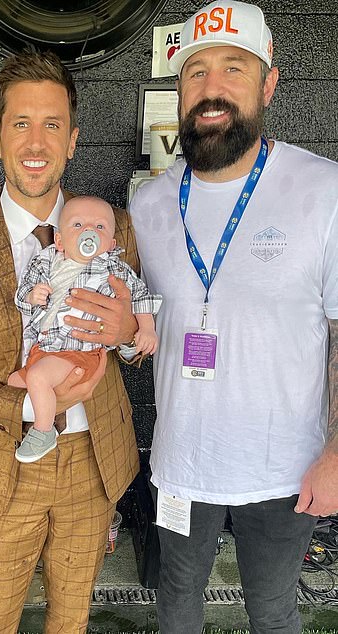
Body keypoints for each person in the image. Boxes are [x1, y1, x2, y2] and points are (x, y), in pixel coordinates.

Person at [129, 2, 338, 631]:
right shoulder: (149, 201)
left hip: (286, 467)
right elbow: (136, 325)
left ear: (269, 83)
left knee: (273, 609)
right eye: (196, 72)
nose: (212, 89)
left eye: (233, 68)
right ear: (179, 89)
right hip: (181, 462)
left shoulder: (323, 190)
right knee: (177, 595)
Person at [0, 50, 142, 633]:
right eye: (21, 124)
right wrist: (27, 407)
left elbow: (143, 340)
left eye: (52, 124)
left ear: (72, 140)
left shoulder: (116, 228)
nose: (36, 142)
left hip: (92, 470)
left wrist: (130, 333)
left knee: (71, 622)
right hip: (1, 472)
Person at [9, 195, 161, 462]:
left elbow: (139, 298)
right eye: (77, 225)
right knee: (13, 383)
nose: (89, 231)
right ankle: (46, 409)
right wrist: (33, 295)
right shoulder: (45, 262)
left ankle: (43, 431)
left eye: (100, 227)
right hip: (44, 349)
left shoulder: (113, 268)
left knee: (38, 379)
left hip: (81, 354)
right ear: (59, 240)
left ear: (112, 244)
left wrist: (144, 329)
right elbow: (22, 296)